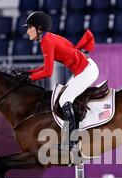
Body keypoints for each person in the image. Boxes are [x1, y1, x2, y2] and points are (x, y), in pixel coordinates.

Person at [22, 11, 99, 151]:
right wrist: (29, 73)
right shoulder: (47, 38)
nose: (27, 31)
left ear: (39, 28)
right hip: (85, 68)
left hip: (87, 70)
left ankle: (71, 142)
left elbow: (48, 72)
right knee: (63, 98)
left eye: (29, 27)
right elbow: (46, 66)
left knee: (64, 100)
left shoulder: (46, 41)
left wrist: (29, 78)